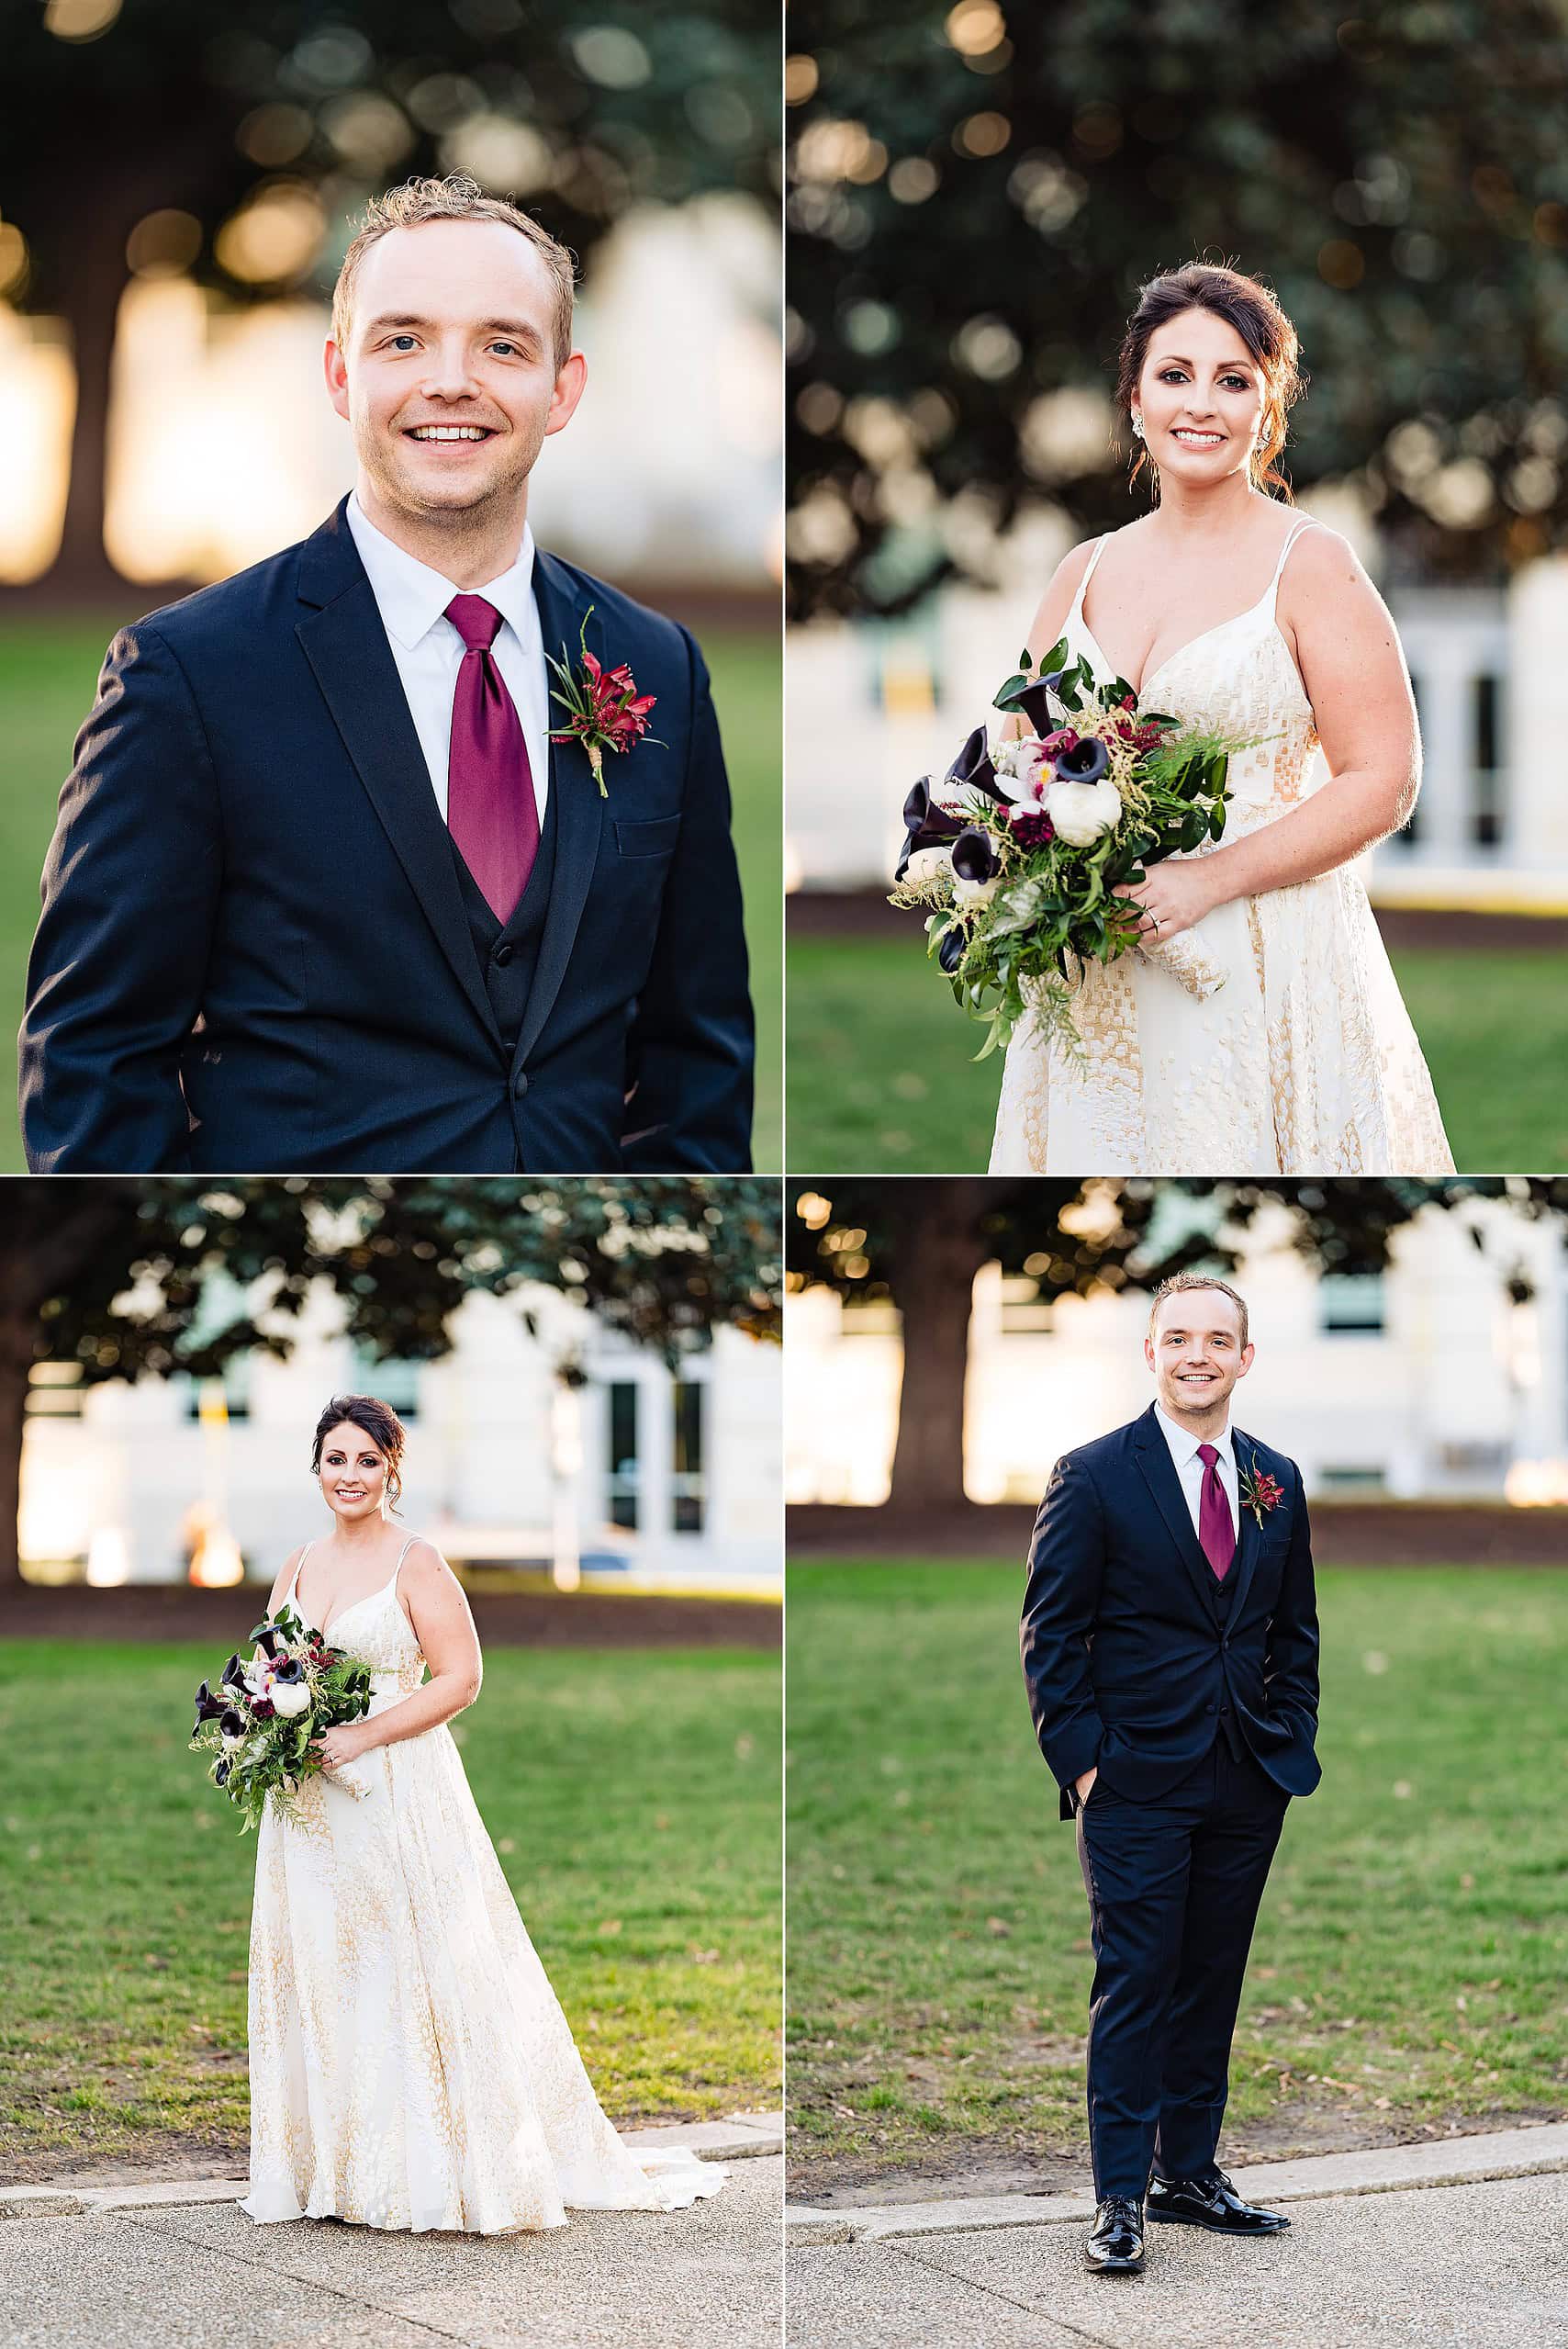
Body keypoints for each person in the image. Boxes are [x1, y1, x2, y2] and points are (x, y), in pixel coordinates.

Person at [20, 174, 753, 1174]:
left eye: (502, 344)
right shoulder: (187, 675)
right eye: (402, 339)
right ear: (339, 375)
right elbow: (95, 1058)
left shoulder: (658, 665)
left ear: (563, 388)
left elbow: (696, 1054)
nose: (450, 381)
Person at [989, 262, 1452, 1176]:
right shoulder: (1078, 572)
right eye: (1175, 374)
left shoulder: (1310, 565)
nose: (1200, 403)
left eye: (1232, 379)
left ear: (1266, 409)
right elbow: (1013, 760)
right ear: (1133, 397)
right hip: (1100, 966)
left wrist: (1210, 877)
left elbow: (1384, 777)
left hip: (1265, 954)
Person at [241, 1393, 725, 2233]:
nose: (349, 1475)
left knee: (405, 1964)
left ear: (392, 1468)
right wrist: (266, 1727)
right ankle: (337, 2168)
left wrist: (362, 1736)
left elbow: (460, 1679)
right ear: (315, 1467)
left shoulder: (417, 1564)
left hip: (395, 1789)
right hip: (307, 1807)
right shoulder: (297, 1564)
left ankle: (426, 2168)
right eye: (335, 1459)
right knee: (323, 1965)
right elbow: (270, 1665)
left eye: (366, 1460)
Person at [1019, 1276, 1320, 2275]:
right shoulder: (1095, 1473)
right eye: (1179, 1336)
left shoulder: (1274, 1475)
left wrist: (1289, 1730)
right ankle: (1116, 2199)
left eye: (1219, 1338)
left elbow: (1294, 1628)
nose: (1199, 1353)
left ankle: (1187, 2173)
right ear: (1149, 1351)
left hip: (1247, 1773)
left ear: (1244, 1357)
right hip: (1135, 1777)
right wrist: (1086, 1764)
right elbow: (1051, 1632)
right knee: (1136, 1981)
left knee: (1210, 1979)